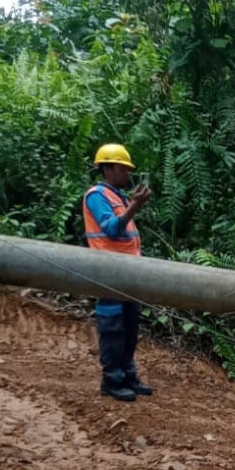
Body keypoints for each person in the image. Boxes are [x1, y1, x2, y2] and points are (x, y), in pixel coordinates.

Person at [82, 143, 154, 402]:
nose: (127, 175)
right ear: (108, 169)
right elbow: (111, 229)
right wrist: (134, 206)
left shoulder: (119, 197)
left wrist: (131, 203)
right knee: (112, 328)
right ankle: (112, 380)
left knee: (129, 327)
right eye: (123, 170)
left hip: (127, 274)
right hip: (109, 272)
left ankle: (128, 375)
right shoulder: (97, 196)